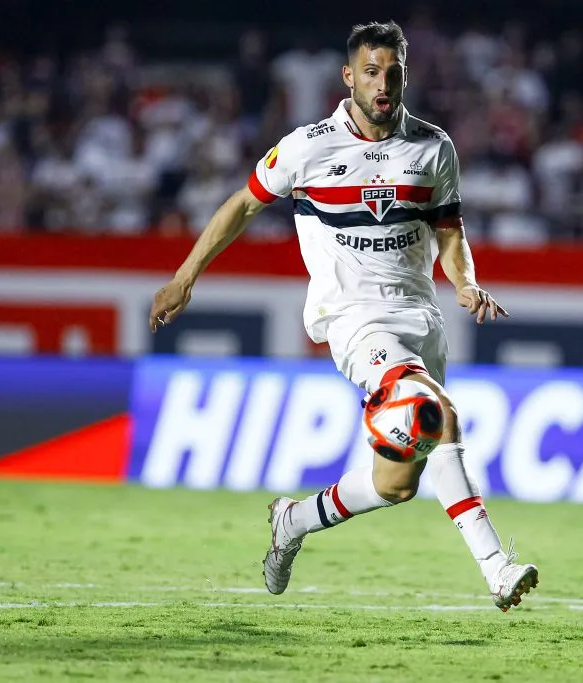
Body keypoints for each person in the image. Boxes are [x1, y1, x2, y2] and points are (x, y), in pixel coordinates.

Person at [148, 21, 538, 612]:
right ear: (349, 77)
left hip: (420, 319)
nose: (384, 84)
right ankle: (497, 567)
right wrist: (185, 276)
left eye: (394, 73)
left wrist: (466, 282)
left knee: (395, 484)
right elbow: (243, 205)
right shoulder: (307, 147)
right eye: (373, 72)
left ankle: (294, 520)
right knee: (434, 413)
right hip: (353, 319)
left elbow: (450, 232)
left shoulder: (434, 148)